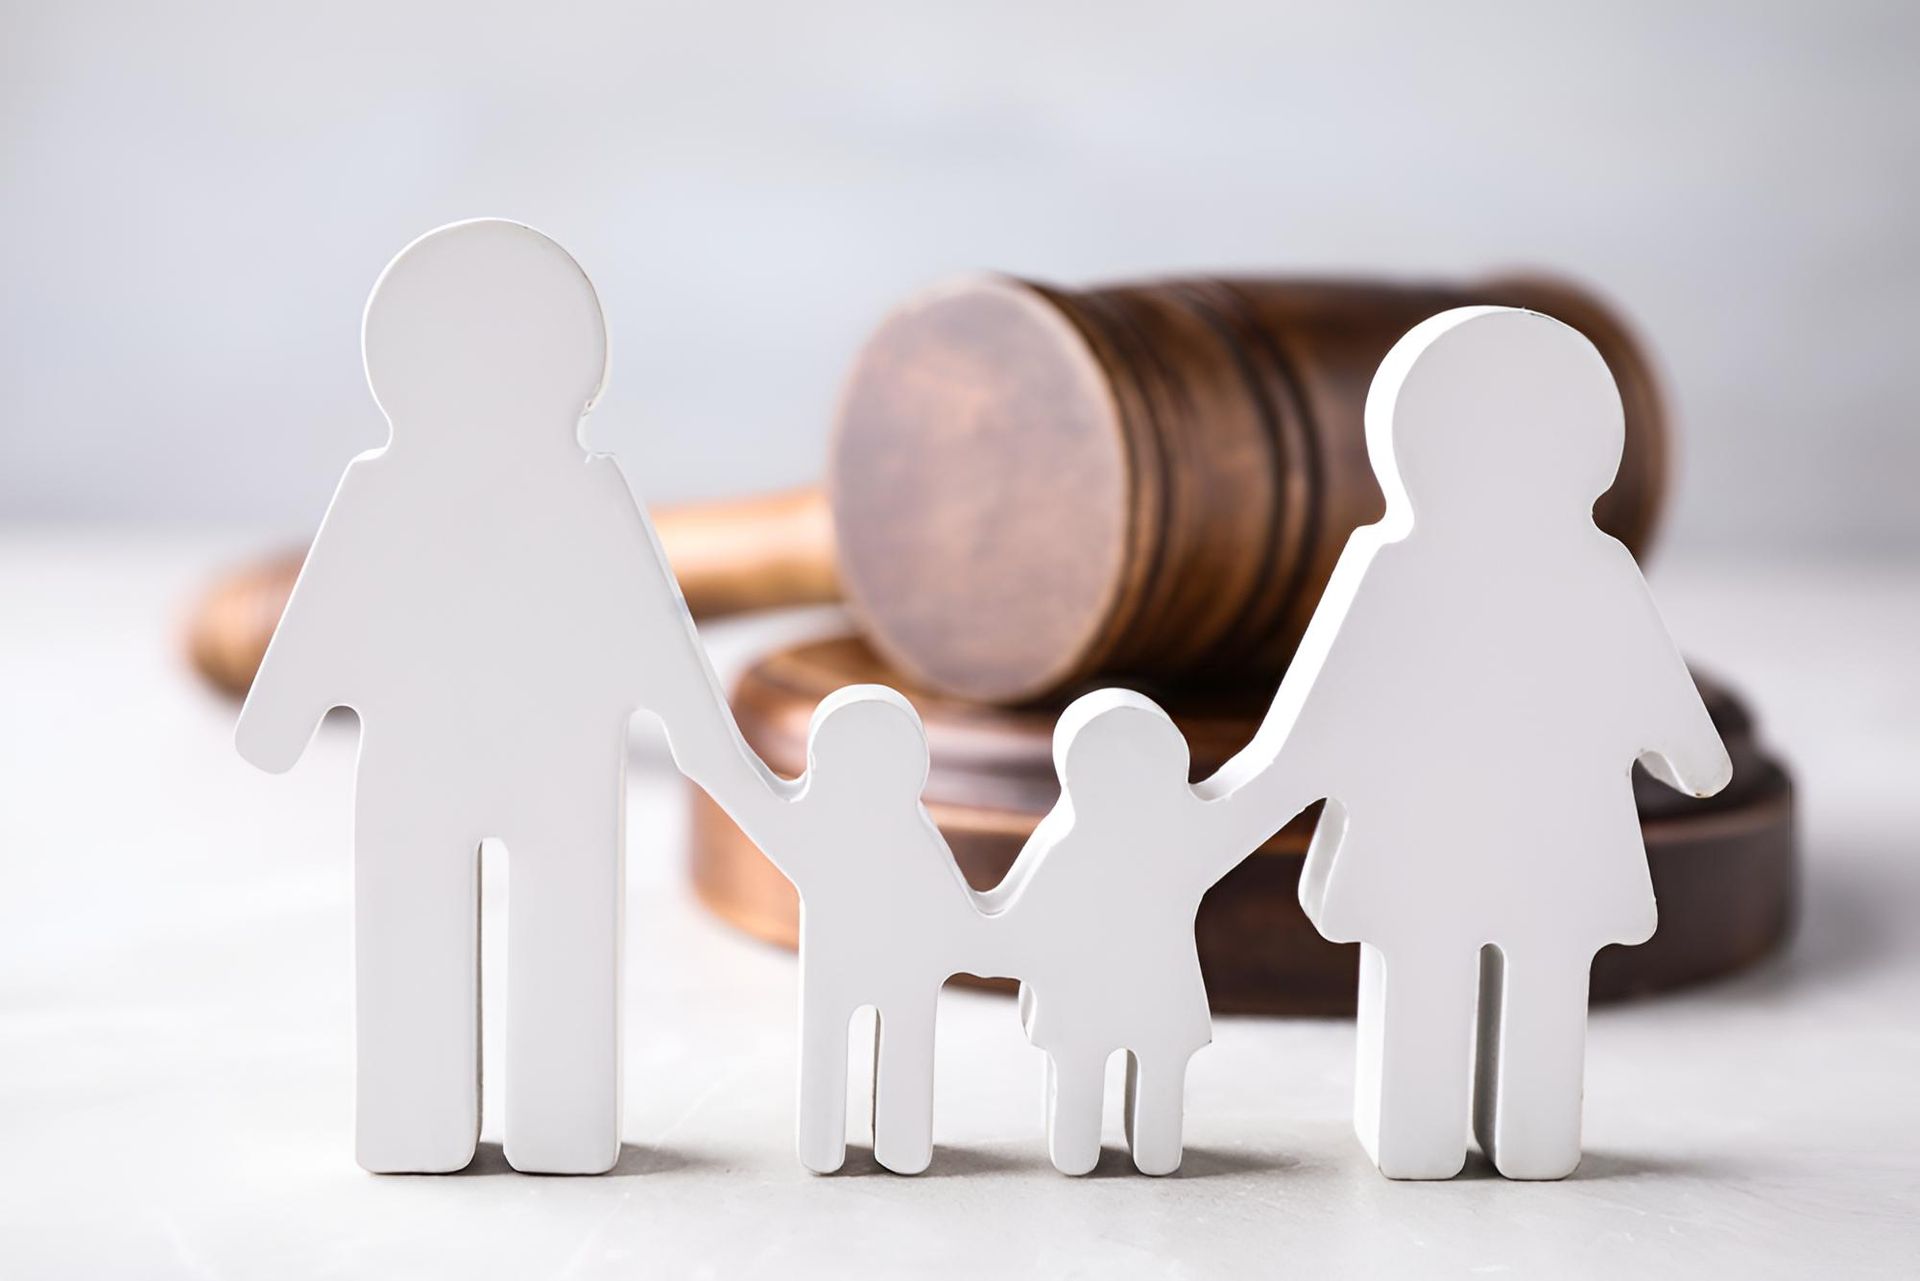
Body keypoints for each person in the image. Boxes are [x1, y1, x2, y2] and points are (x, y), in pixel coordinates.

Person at [236, 220, 755, 1175]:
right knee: (479, 929)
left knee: (476, 929)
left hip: (468, 774)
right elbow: (663, 654)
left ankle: (450, 1122)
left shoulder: (410, 492)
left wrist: (278, 725)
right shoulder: (533, 493)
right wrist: (717, 753)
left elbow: (301, 668)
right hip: (520, 773)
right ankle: (503, 1123)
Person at [1212, 305, 1733, 1180]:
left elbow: (1312, 733)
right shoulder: (1557, 570)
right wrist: (1694, 757)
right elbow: (1685, 743)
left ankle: (1487, 1135)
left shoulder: (1513, 570)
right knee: (1469, 966)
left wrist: (1239, 808)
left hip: (1461, 843)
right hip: (1536, 842)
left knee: (1471, 965)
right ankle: (1468, 1135)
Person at [984, 690, 1287, 1176]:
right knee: (1090, 1068)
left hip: (1132, 998)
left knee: (1147, 1073)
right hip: (1107, 998)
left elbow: (1022, 920)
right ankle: (1092, 1146)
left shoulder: (1159, 837)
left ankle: (1134, 1147)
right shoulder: (1082, 845)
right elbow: (1026, 917)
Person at [716, 685, 992, 1175]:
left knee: (872, 1041)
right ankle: (864, 1143)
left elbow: (759, 810)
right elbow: (955, 900)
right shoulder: (899, 831)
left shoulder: (882, 830)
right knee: (850, 1041)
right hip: (867, 966)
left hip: (877, 966)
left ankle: (881, 1143)